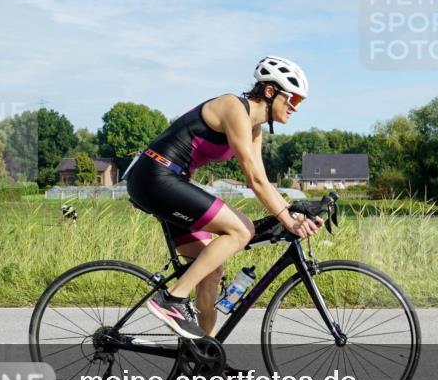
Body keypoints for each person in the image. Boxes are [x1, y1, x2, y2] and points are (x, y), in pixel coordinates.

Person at [126, 56, 322, 339]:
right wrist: (289, 222)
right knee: (241, 231)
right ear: (270, 91)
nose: (295, 107)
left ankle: (206, 354)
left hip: (167, 181)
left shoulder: (254, 130)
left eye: (299, 102)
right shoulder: (233, 108)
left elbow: (262, 182)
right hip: (155, 176)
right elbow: (253, 179)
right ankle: (171, 300)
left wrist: (292, 212)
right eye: (293, 99)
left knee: (211, 269)